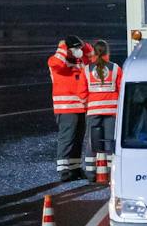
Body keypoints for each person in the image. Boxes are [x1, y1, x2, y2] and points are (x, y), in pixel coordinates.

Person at [48, 36, 93, 179]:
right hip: (66, 108)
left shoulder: (79, 63)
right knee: (67, 139)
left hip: (80, 107)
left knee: (78, 139)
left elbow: (92, 59)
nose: (77, 51)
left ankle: (75, 168)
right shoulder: (56, 61)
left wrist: (84, 45)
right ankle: (63, 170)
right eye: (74, 48)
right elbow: (57, 64)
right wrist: (63, 48)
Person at [82, 40, 121, 169]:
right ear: (107, 52)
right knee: (110, 141)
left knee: (92, 141)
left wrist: (87, 104)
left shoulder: (87, 69)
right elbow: (121, 89)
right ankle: (111, 171)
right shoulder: (115, 68)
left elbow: (81, 92)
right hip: (112, 110)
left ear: (94, 52)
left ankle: (91, 172)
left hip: (93, 111)